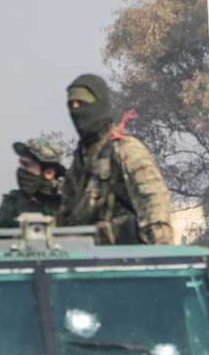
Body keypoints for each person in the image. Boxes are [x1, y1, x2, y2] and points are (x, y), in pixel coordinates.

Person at [59, 74, 174, 245]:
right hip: (89, 261)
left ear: (98, 105)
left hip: (128, 262)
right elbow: (66, 214)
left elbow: (155, 202)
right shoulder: (80, 160)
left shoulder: (126, 149)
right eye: (71, 105)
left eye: (82, 104)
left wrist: (161, 255)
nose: (76, 110)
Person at [0, 138, 66, 228]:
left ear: (49, 173)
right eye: (21, 164)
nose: (21, 170)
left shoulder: (68, 203)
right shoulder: (14, 202)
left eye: (27, 165)